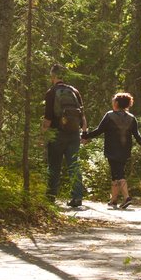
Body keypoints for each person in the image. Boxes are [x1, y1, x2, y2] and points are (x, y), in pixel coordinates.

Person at [82, 92, 141, 209]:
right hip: (125, 149)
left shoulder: (109, 115)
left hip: (112, 149)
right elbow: (137, 135)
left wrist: (85, 136)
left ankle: (127, 197)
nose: (112, 102)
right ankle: (113, 200)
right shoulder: (131, 118)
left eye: (113, 101)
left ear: (117, 103)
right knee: (115, 173)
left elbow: (99, 130)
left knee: (119, 173)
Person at [43, 64, 87, 207]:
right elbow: (82, 116)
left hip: (57, 134)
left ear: (53, 76)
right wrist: (84, 133)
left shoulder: (51, 92)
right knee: (74, 165)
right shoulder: (74, 91)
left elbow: (48, 118)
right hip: (74, 134)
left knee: (54, 165)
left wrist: (42, 135)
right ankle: (77, 197)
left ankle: (50, 196)